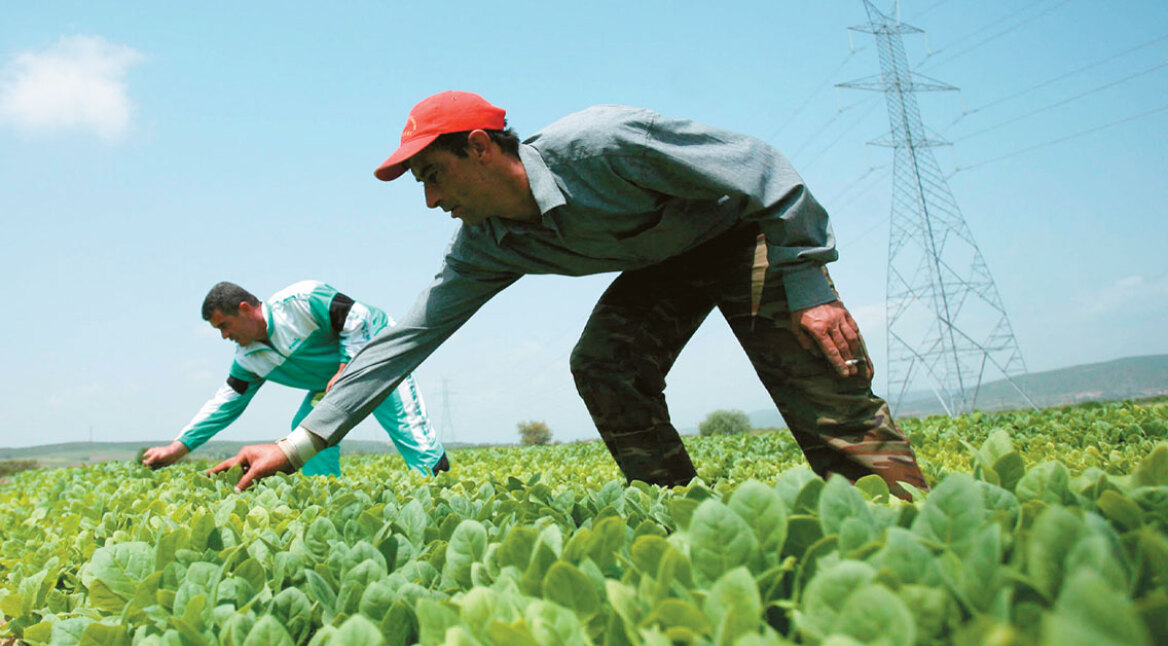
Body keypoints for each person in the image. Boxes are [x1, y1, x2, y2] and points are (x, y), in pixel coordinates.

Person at [212, 91, 926, 498]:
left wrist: (809, 282)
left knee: (823, 389)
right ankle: (677, 511)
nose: (430, 200)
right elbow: (406, 339)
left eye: (434, 175)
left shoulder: (604, 144)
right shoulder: (488, 242)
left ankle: (907, 517)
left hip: (741, 234)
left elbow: (762, 168)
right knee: (604, 364)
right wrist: (299, 443)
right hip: (664, 262)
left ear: (481, 149)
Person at [144, 280, 449, 476]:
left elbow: (358, 317)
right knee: (304, 429)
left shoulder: (301, 300)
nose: (225, 336)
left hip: (377, 359)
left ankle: (441, 494)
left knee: (411, 432)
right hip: (331, 381)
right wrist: (178, 448)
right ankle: (327, 496)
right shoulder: (248, 359)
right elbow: (225, 404)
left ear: (245, 309)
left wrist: (345, 367)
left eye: (225, 325)